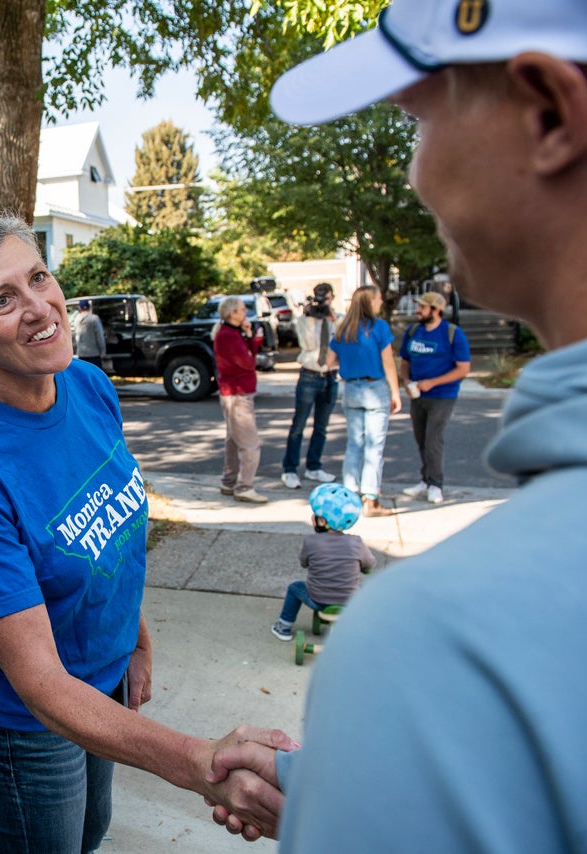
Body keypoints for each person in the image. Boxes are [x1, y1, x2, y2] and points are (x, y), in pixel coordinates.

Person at [210, 0, 587, 849]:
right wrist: (344, 785)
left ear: (551, 115)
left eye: (419, 118)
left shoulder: (435, 655)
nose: (416, 174)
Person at [0, 214, 294, 852]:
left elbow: (107, 537)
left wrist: (135, 644)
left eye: (39, 278)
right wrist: (203, 765)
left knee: (90, 833)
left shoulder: (88, 386)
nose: (40, 308)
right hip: (26, 723)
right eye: (3, 301)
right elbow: (39, 683)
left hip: (104, 678)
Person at [324, 285, 401, 517]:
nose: (381, 302)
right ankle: (371, 500)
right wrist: (396, 392)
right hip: (374, 388)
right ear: (370, 302)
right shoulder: (379, 327)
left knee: (354, 444)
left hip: (351, 389)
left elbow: (329, 362)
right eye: (378, 298)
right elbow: (388, 363)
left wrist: (350, 364)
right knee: (374, 447)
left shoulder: (342, 329)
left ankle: (350, 494)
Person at [269, 484, 375, 641]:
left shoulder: (311, 542)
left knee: (294, 588)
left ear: (321, 521)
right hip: (348, 602)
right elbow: (369, 565)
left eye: (315, 515)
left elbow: (304, 563)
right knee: (369, 588)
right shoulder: (356, 543)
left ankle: (284, 626)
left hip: (317, 599)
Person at [399, 291, 471, 504]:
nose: (418, 311)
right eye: (418, 306)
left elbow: (463, 369)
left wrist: (432, 382)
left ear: (436, 310)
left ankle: (435, 484)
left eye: (422, 307)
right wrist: (406, 381)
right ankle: (425, 480)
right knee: (421, 439)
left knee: (433, 439)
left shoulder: (452, 333)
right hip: (417, 395)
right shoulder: (413, 331)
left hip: (443, 395)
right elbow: (404, 362)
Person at [280, 283, 340, 490]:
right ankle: (290, 469)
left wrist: (333, 320)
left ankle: (314, 466)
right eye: (320, 300)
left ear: (333, 298)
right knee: (299, 425)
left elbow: (344, 342)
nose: (324, 304)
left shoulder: (337, 319)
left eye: (327, 299)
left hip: (331, 376)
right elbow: (308, 345)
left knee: (321, 427)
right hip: (310, 375)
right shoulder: (306, 319)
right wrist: (310, 319)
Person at [214, 297, 269, 503]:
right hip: (238, 394)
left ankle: (228, 482)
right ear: (232, 314)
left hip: (234, 393)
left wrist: (248, 336)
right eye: (242, 309)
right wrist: (249, 342)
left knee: (233, 440)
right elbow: (248, 363)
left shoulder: (232, 333)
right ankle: (244, 486)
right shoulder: (228, 336)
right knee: (250, 443)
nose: (246, 311)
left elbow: (250, 355)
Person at [74, 298, 107, 370]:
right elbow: (100, 336)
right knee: (96, 376)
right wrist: (103, 351)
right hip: (94, 354)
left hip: (81, 354)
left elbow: (77, 337)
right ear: (89, 307)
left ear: (80, 308)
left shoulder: (76, 319)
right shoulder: (94, 319)